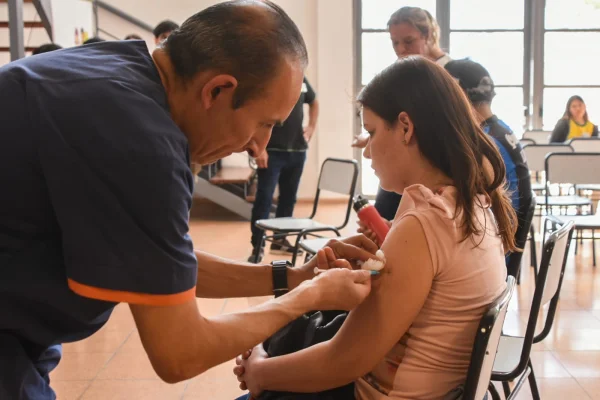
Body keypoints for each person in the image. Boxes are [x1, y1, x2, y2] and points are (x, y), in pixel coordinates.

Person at [0, 2, 379, 399]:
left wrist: (294, 278)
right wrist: (307, 299)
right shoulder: (141, 142)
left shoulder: (117, 71)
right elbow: (180, 354)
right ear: (217, 89)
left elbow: (159, 261)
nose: (259, 147)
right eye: (264, 123)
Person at [234, 56, 515, 399]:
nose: (366, 151)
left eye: (371, 132)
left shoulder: (425, 222)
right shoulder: (471, 201)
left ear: (406, 127)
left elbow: (344, 360)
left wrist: (259, 370)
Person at [354, 6, 451, 224]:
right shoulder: (406, 72)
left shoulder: (449, 72)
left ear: (427, 35)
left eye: (408, 41)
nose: (401, 49)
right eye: (395, 42)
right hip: (405, 165)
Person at [445, 58, 532, 213]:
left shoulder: (482, 141)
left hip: (502, 231)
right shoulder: (500, 129)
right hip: (511, 226)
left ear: (457, 96)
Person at [248, 77, 319, 262]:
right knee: (264, 199)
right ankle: (257, 246)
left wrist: (311, 128)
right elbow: (253, 112)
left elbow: (314, 102)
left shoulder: (302, 80)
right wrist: (259, 147)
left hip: (298, 150)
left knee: (289, 199)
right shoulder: (271, 75)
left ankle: (279, 240)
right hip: (272, 152)